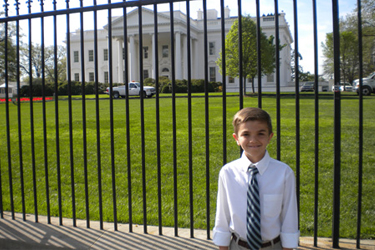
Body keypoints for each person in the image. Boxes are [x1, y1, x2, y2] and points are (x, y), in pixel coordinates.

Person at [213, 107, 299, 250]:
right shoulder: (228, 172)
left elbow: (289, 215)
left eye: (261, 134)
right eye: (246, 134)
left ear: (270, 137)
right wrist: (223, 246)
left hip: (272, 246)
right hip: (238, 245)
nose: (253, 140)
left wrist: (288, 247)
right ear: (237, 139)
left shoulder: (283, 173)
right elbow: (223, 213)